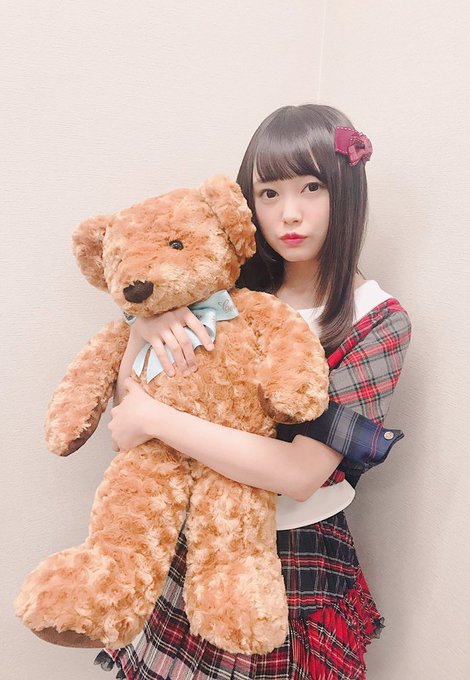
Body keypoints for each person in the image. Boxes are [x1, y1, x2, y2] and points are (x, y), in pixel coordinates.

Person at [94, 104, 412, 680]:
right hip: (192, 538)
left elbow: (299, 474)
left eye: (311, 187)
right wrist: (143, 325)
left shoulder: (377, 321)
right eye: (269, 193)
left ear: (346, 190)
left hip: (292, 559)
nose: (289, 213)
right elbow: (127, 414)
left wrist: (156, 420)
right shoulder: (220, 288)